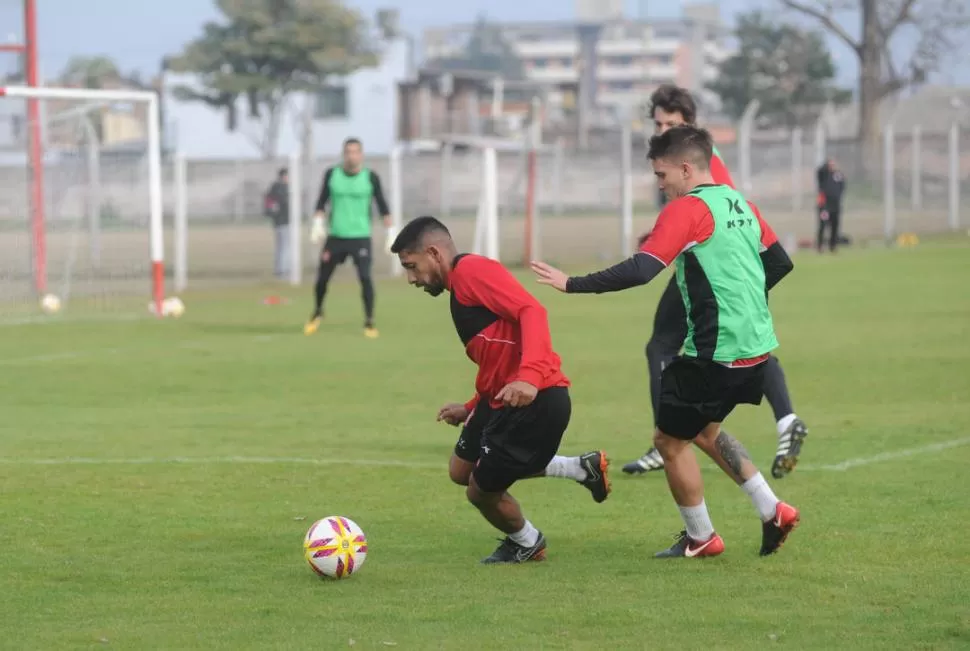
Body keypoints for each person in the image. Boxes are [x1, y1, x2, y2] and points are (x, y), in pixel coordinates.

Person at [531, 125, 800, 557]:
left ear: (687, 168)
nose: (660, 185)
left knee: (669, 442)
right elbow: (779, 263)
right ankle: (774, 511)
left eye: (662, 175)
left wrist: (572, 283)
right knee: (707, 432)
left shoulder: (687, 210)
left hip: (716, 352)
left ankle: (701, 538)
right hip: (757, 349)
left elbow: (641, 270)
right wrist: (741, 301)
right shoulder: (741, 203)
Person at [389, 216, 611, 564]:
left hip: (536, 399)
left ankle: (527, 542)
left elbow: (532, 311)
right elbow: (498, 356)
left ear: (433, 252)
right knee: (460, 471)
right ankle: (580, 469)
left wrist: (530, 378)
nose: (411, 278)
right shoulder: (458, 288)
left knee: (480, 491)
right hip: (500, 397)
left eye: (411, 266)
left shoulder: (472, 271)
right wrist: (470, 405)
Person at [625, 84, 809, 480]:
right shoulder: (674, 161)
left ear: (688, 125)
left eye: (670, 122)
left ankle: (667, 439)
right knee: (745, 342)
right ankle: (785, 420)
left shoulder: (699, 162)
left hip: (713, 267)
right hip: (711, 264)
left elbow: (723, 206)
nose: (661, 128)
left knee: (663, 344)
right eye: (657, 122)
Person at [304, 138, 392, 339]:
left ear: (361, 155)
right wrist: (317, 224)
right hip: (336, 236)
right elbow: (321, 202)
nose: (351, 156)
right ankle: (317, 311)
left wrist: (391, 233)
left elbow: (383, 206)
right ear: (344, 154)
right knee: (322, 278)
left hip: (361, 237)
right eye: (348, 152)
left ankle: (369, 321)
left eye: (355, 152)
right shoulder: (332, 175)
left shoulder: (370, 178)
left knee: (365, 278)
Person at [263, 167, 290, 278]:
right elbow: (283, 204)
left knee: (281, 246)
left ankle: (281, 268)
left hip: (278, 221)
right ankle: (282, 270)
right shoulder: (281, 188)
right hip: (283, 221)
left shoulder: (274, 188)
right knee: (284, 246)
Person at [816, 157, 845, 253]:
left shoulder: (838, 175)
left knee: (835, 225)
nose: (833, 166)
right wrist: (826, 165)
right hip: (825, 205)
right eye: (831, 164)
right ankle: (820, 246)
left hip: (835, 205)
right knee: (823, 225)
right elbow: (820, 171)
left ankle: (833, 246)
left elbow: (842, 186)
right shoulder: (824, 174)